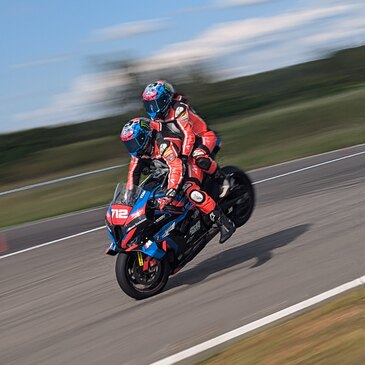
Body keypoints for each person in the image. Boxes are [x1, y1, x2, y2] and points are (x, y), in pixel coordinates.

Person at [120, 117, 236, 243]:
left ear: (144, 136)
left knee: (191, 191)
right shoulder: (139, 153)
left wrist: (171, 190)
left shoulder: (163, 143)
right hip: (168, 168)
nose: (132, 148)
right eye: (129, 145)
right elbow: (133, 173)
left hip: (188, 161)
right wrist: (129, 197)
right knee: (149, 190)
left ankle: (223, 222)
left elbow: (176, 167)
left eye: (134, 142)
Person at [142, 80, 225, 182]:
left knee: (199, 158)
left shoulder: (179, 109)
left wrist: (184, 156)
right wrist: (147, 161)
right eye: (149, 104)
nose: (153, 108)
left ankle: (223, 180)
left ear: (165, 99)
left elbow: (188, 135)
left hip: (203, 137)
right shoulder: (155, 119)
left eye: (156, 103)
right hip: (187, 144)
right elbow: (155, 140)